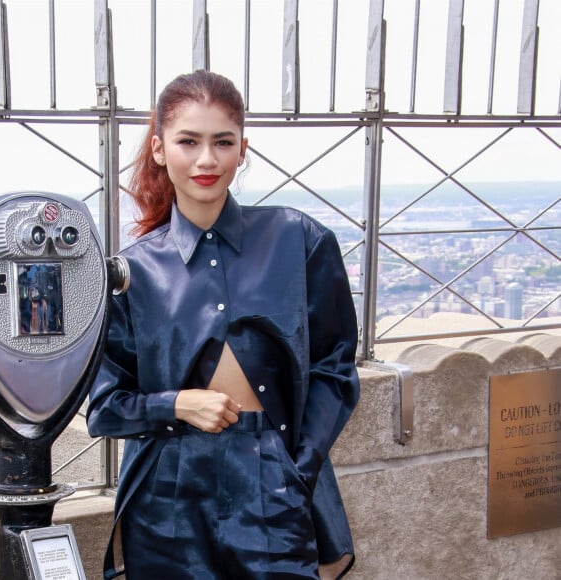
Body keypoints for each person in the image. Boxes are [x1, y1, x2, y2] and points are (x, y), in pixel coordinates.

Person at [87, 69, 360, 580]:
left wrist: (296, 468)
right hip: (165, 498)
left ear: (242, 149)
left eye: (222, 142)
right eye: (188, 141)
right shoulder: (132, 271)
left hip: (273, 484)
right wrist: (177, 404)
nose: (207, 159)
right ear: (161, 148)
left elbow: (336, 370)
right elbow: (104, 409)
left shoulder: (299, 240)